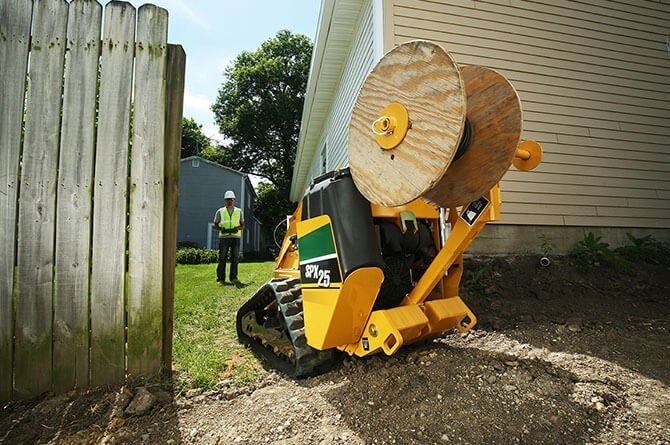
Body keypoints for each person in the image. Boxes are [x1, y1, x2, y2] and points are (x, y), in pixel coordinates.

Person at [214, 190, 245, 283]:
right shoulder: (220, 211)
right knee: (222, 258)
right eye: (227, 200)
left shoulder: (239, 211)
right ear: (225, 200)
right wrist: (222, 229)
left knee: (235, 259)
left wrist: (237, 228)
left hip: (235, 238)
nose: (229, 201)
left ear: (234, 200)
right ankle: (220, 278)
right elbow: (215, 224)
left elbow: (243, 225)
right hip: (224, 238)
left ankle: (233, 278)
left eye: (231, 199)